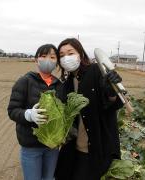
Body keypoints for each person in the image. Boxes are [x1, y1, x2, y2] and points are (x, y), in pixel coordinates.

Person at [55, 38, 123, 180]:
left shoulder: (96, 72)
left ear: (80, 54)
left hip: (94, 148)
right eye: (61, 55)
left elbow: (114, 104)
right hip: (73, 148)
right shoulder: (66, 84)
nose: (66, 58)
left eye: (70, 53)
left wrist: (111, 92)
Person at [7, 44, 63, 180]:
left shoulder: (60, 85)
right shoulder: (25, 81)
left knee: (49, 178)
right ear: (36, 60)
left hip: (52, 146)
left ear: (56, 62)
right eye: (43, 56)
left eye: (52, 57)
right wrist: (29, 115)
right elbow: (12, 110)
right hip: (31, 146)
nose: (48, 60)